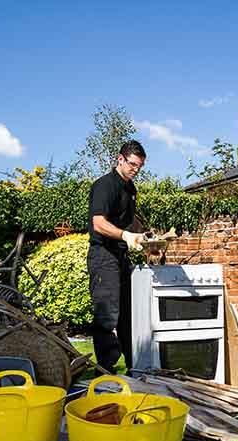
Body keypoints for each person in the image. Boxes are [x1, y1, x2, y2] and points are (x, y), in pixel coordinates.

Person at [87, 140, 147, 375]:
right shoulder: (104, 186)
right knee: (107, 315)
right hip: (103, 257)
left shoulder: (130, 188)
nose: (135, 170)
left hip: (121, 258)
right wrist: (125, 235)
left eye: (139, 167)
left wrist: (145, 238)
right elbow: (99, 224)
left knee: (128, 314)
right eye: (132, 164)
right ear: (120, 159)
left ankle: (135, 368)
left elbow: (130, 221)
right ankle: (104, 373)